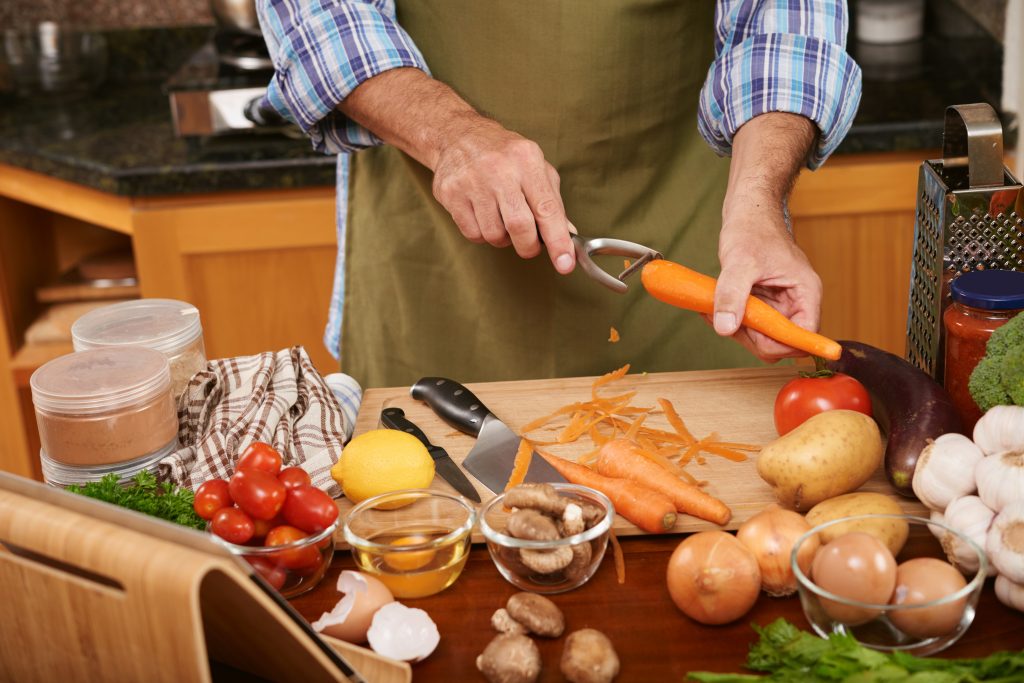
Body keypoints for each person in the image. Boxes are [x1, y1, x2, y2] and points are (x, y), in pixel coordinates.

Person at [256, 0, 861, 389]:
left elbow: (784, 25)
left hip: (683, 210)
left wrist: (757, 204)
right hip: (432, 240)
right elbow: (320, 17)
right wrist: (451, 136)